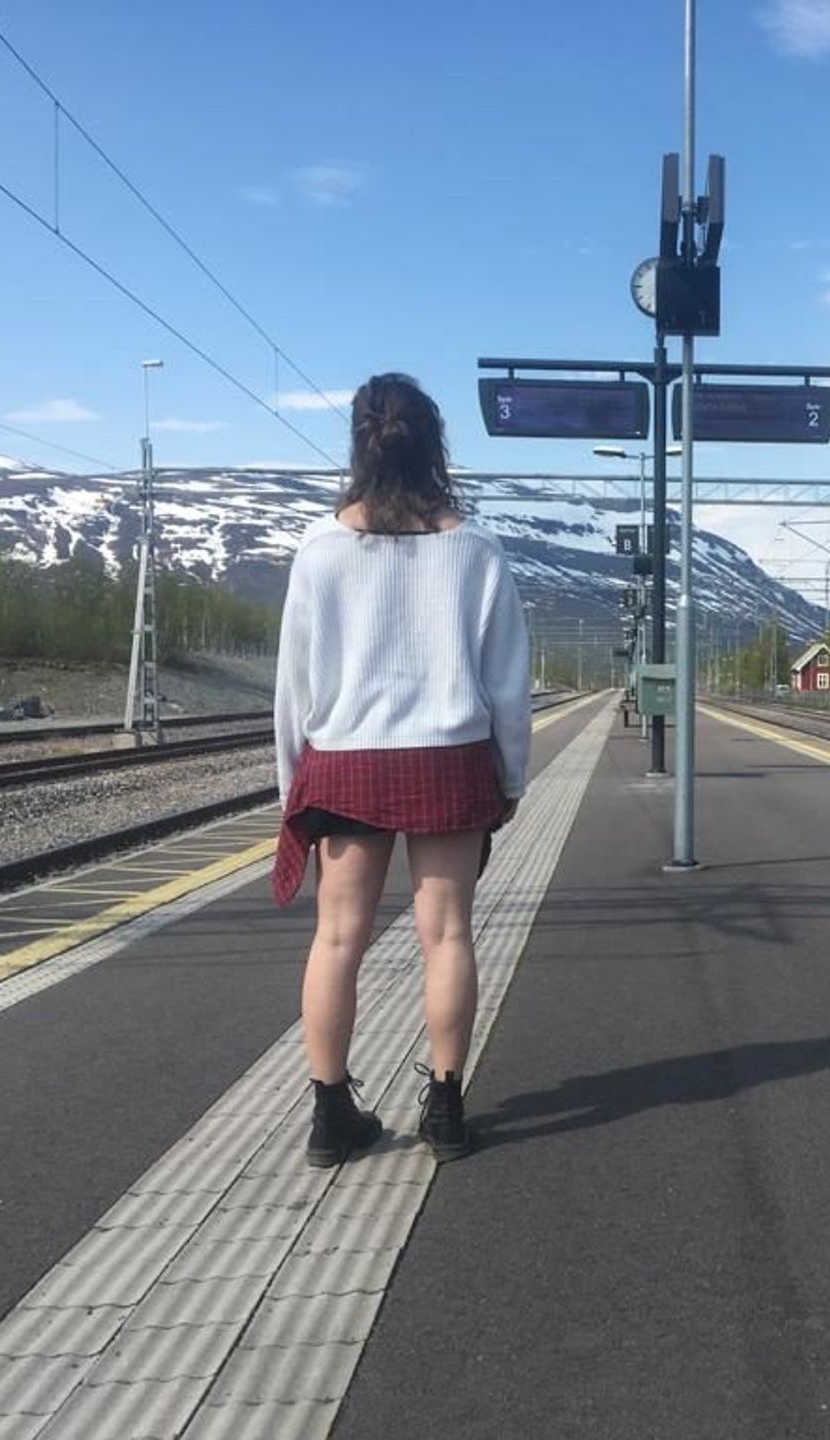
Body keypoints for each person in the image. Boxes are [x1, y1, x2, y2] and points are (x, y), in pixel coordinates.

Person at [272, 373, 532, 1168]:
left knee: (337, 938)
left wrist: (293, 790)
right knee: (447, 935)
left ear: (361, 443)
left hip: (345, 760)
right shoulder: (476, 550)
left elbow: (296, 687)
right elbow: (507, 686)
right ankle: (447, 1111)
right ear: (435, 446)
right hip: (448, 760)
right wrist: (508, 780)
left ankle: (329, 1116)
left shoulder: (320, 551)